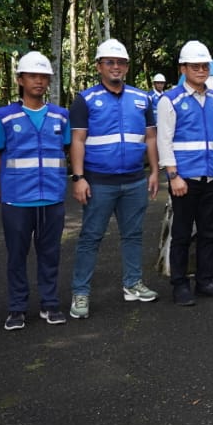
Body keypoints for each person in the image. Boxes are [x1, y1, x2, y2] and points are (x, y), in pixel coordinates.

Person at [68, 38, 161, 319]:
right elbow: (78, 140)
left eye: (121, 62)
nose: (116, 67)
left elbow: (151, 137)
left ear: (127, 67)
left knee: (133, 235)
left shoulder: (141, 98)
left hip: (134, 179)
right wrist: (78, 177)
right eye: (110, 62)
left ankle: (132, 284)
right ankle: (80, 293)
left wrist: (155, 171)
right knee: (90, 237)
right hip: (98, 181)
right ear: (99, 66)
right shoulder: (85, 99)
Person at [0, 51, 71, 330]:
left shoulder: (60, 116)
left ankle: (50, 303)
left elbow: (68, 148)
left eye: (43, 77)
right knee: (16, 255)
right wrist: (7, 180)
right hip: (17, 199)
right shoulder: (5, 117)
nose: (38, 81)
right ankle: (17, 308)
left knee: (50, 254)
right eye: (32, 76)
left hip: (52, 197)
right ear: (20, 79)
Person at [156, 41, 213, 305]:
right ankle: (179, 285)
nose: (201, 70)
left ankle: (205, 281)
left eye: (204, 66)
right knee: (182, 234)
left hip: (211, 176)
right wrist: (173, 176)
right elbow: (163, 141)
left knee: (209, 233)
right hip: (184, 179)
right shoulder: (170, 99)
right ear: (183, 68)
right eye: (195, 66)